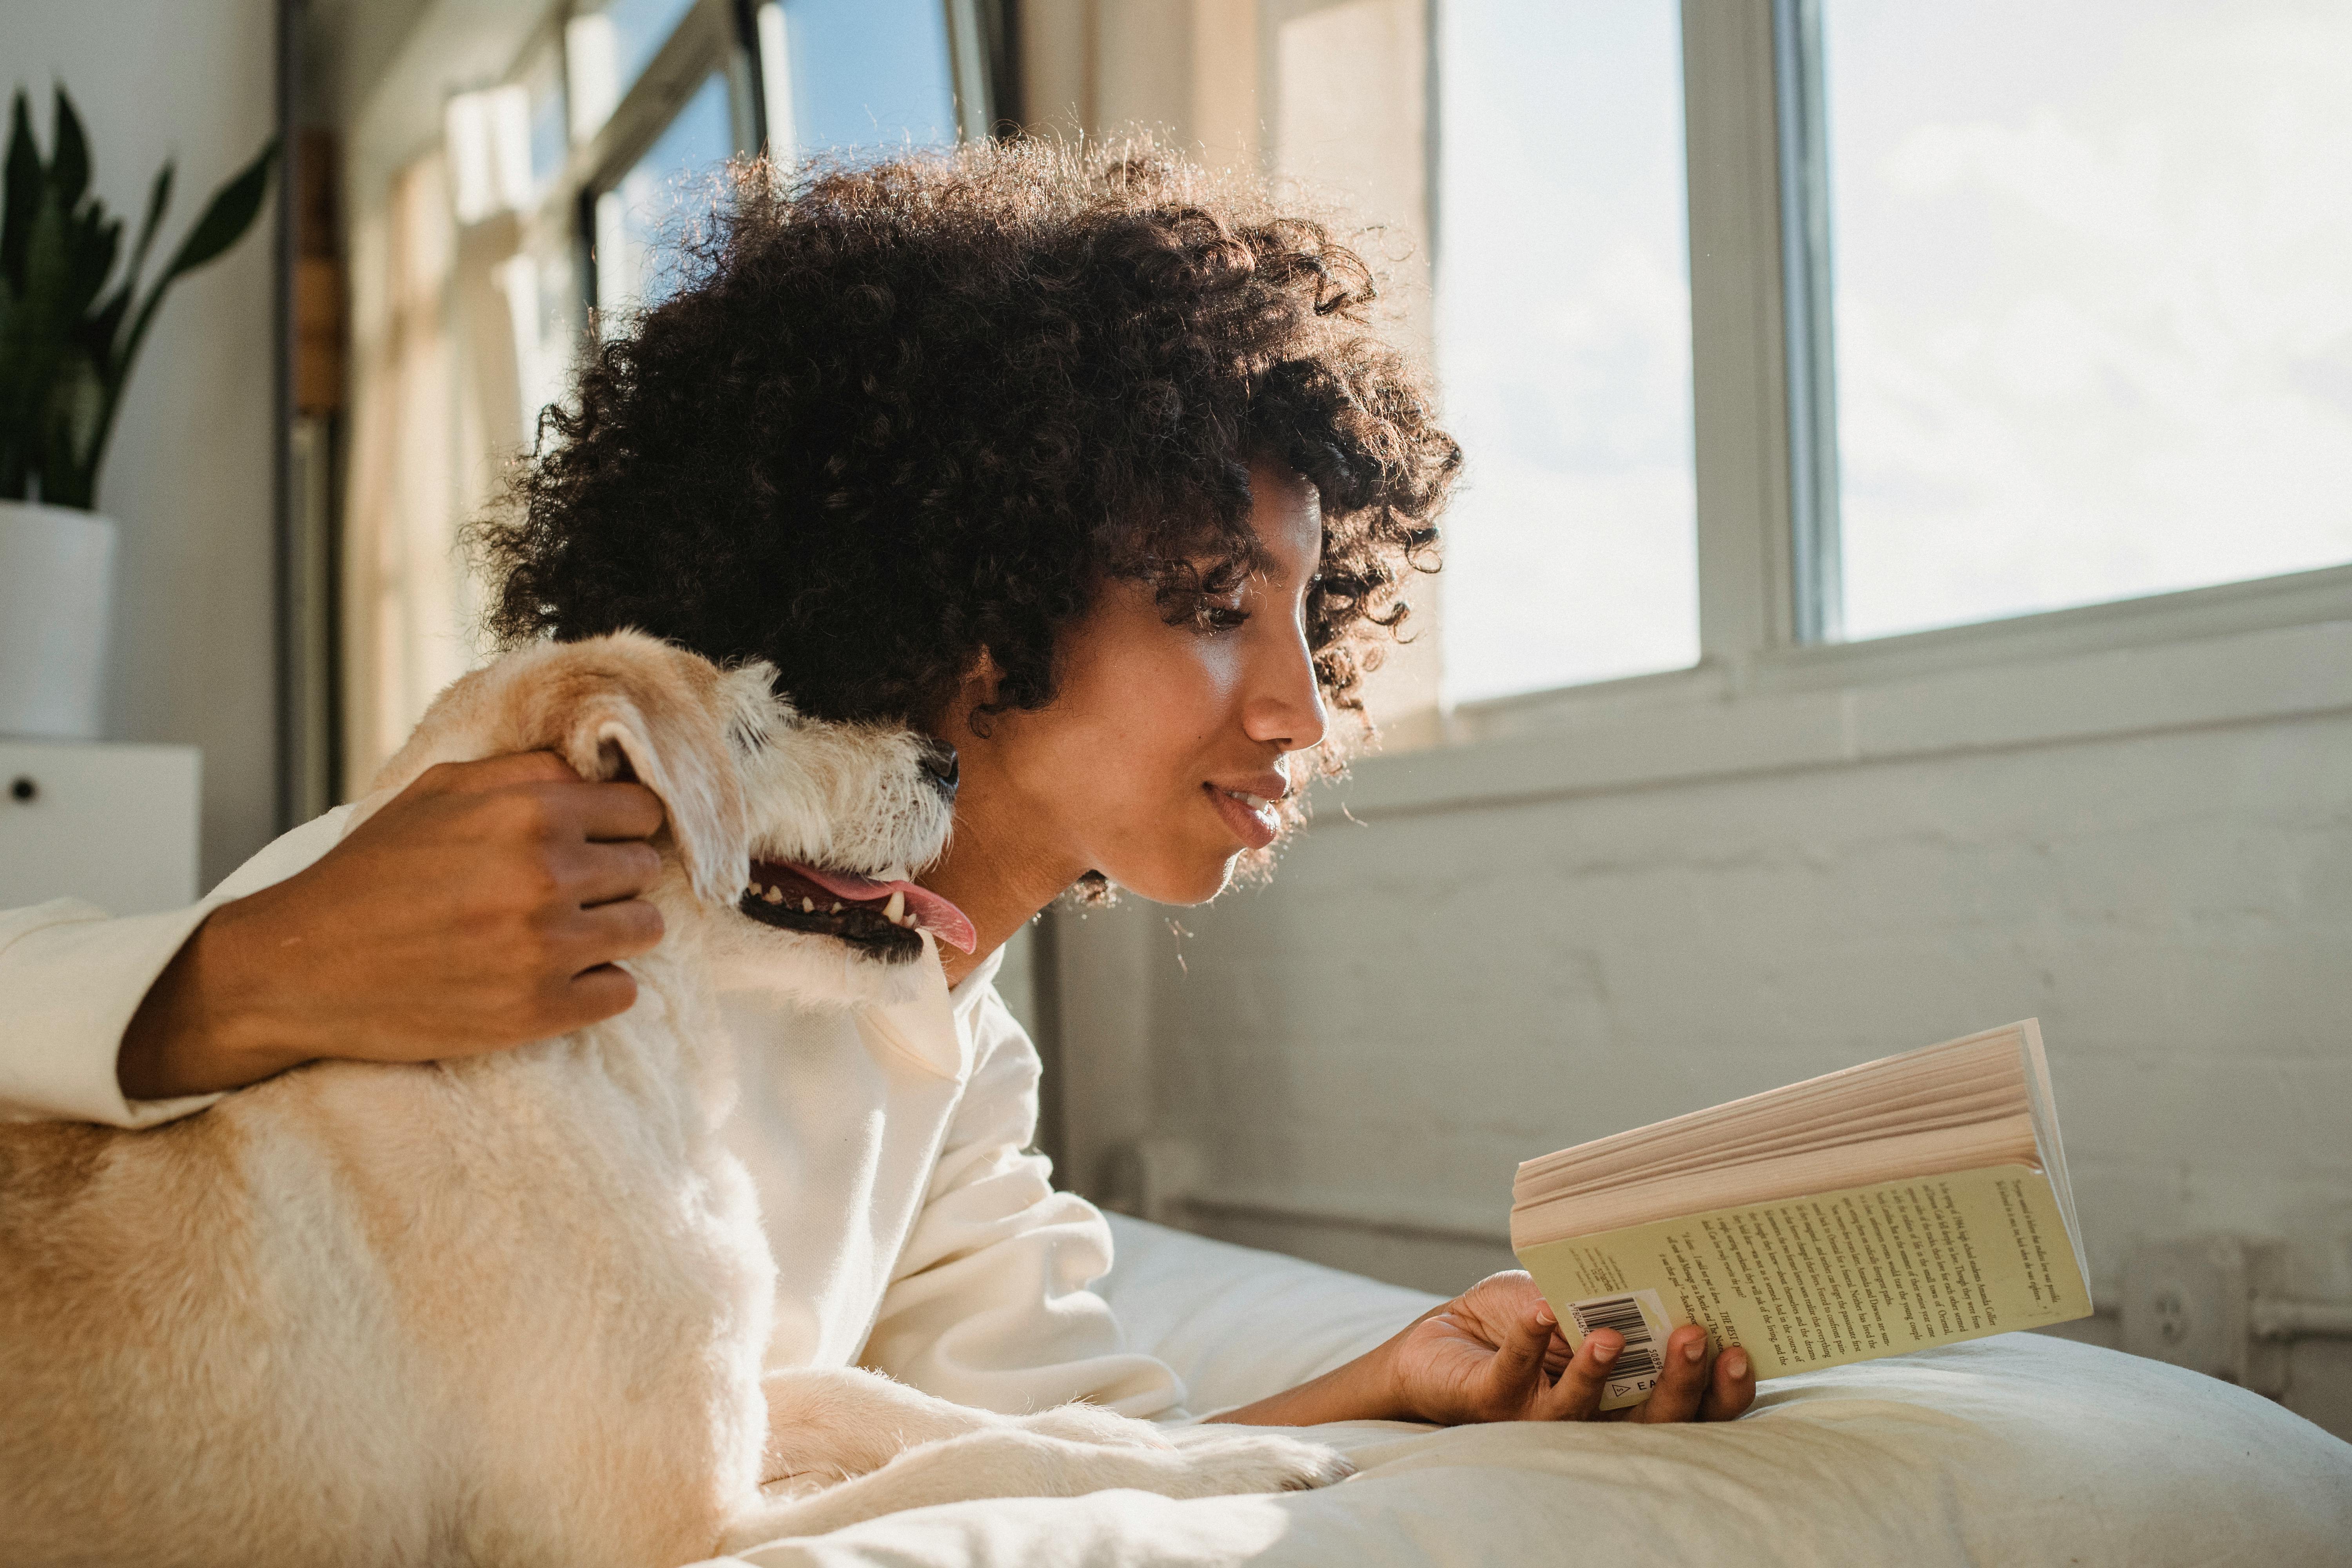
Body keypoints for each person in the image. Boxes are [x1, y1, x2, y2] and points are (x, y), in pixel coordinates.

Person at [0, 140, 1752, 1429]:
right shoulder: (591, 847)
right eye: (1220, 607)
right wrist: (256, 967)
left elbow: (1071, 1458)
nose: (1303, 708)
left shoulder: (963, 1047)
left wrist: (1397, 1382)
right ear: (966, 605)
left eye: (1311, 615)